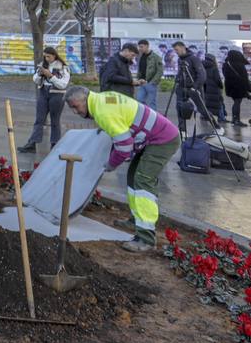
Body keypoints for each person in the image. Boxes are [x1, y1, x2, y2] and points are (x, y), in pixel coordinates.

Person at [65, 85, 180, 254]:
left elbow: (125, 147)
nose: (75, 112)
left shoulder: (103, 113)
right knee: (133, 177)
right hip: (154, 136)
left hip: (162, 140)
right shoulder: (103, 98)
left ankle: (146, 238)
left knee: (142, 183)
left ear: (85, 99)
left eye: (76, 106)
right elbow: (121, 116)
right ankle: (136, 220)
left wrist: (111, 164)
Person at [19, 46, 68, 153]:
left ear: (54, 56)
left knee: (55, 121)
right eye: (45, 56)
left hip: (57, 95)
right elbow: (35, 80)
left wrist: (50, 76)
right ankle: (32, 143)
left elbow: (63, 84)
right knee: (39, 119)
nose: (46, 59)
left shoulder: (63, 67)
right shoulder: (43, 65)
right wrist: (39, 75)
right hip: (43, 92)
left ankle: (55, 144)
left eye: (48, 56)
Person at [172, 41, 207, 126]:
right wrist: (177, 80)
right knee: (179, 108)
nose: (176, 52)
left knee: (202, 109)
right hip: (181, 88)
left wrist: (195, 87)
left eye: (177, 50)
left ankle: (216, 126)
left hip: (193, 88)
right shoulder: (180, 59)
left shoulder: (193, 58)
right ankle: (182, 129)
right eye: (175, 50)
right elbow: (180, 72)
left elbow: (202, 74)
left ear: (183, 48)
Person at [222, 49, 251, 128]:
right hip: (239, 87)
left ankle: (234, 119)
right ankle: (236, 120)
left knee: (236, 102)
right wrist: (249, 89)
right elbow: (245, 78)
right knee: (237, 103)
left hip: (230, 86)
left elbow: (226, 75)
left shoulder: (226, 64)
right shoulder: (239, 65)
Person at [135, 39, 163, 111]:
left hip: (151, 83)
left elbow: (160, 71)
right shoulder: (140, 56)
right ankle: (145, 115)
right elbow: (139, 69)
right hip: (141, 82)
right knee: (139, 100)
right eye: (139, 47)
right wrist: (138, 79)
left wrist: (153, 82)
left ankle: (154, 120)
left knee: (151, 103)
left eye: (141, 47)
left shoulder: (156, 57)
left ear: (147, 46)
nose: (140, 49)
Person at [202, 53, 227, 127]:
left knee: (207, 103)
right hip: (215, 89)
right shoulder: (213, 67)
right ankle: (221, 118)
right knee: (219, 103)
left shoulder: (202, 66)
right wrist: (221, 86)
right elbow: (217, 79)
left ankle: (205, 116)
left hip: (206, 88)